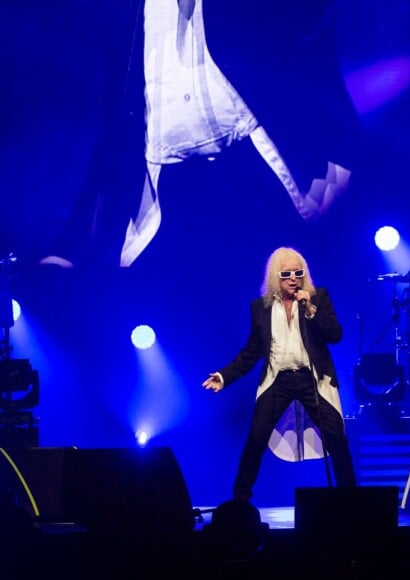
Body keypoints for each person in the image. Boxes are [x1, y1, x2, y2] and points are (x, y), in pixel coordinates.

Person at [40, 0, 364, 271]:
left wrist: (342, 162)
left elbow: (313, 44)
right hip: (172, 197)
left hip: (253, 175)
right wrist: (68, 246)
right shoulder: (128, 20)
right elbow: (113, 142)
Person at [202, 246, 356, 502]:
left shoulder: (318, 298)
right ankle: (240, 500)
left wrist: (311, 311)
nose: (294, 278)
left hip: (312, 379)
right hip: (278, 380)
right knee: (256, 438)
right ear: (275, 276)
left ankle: (350, 499)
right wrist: (224, 375)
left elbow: (335, 335)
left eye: (298, 272)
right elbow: (251, 352)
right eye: (287, 274)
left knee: (336, 438)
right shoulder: (260, 307)